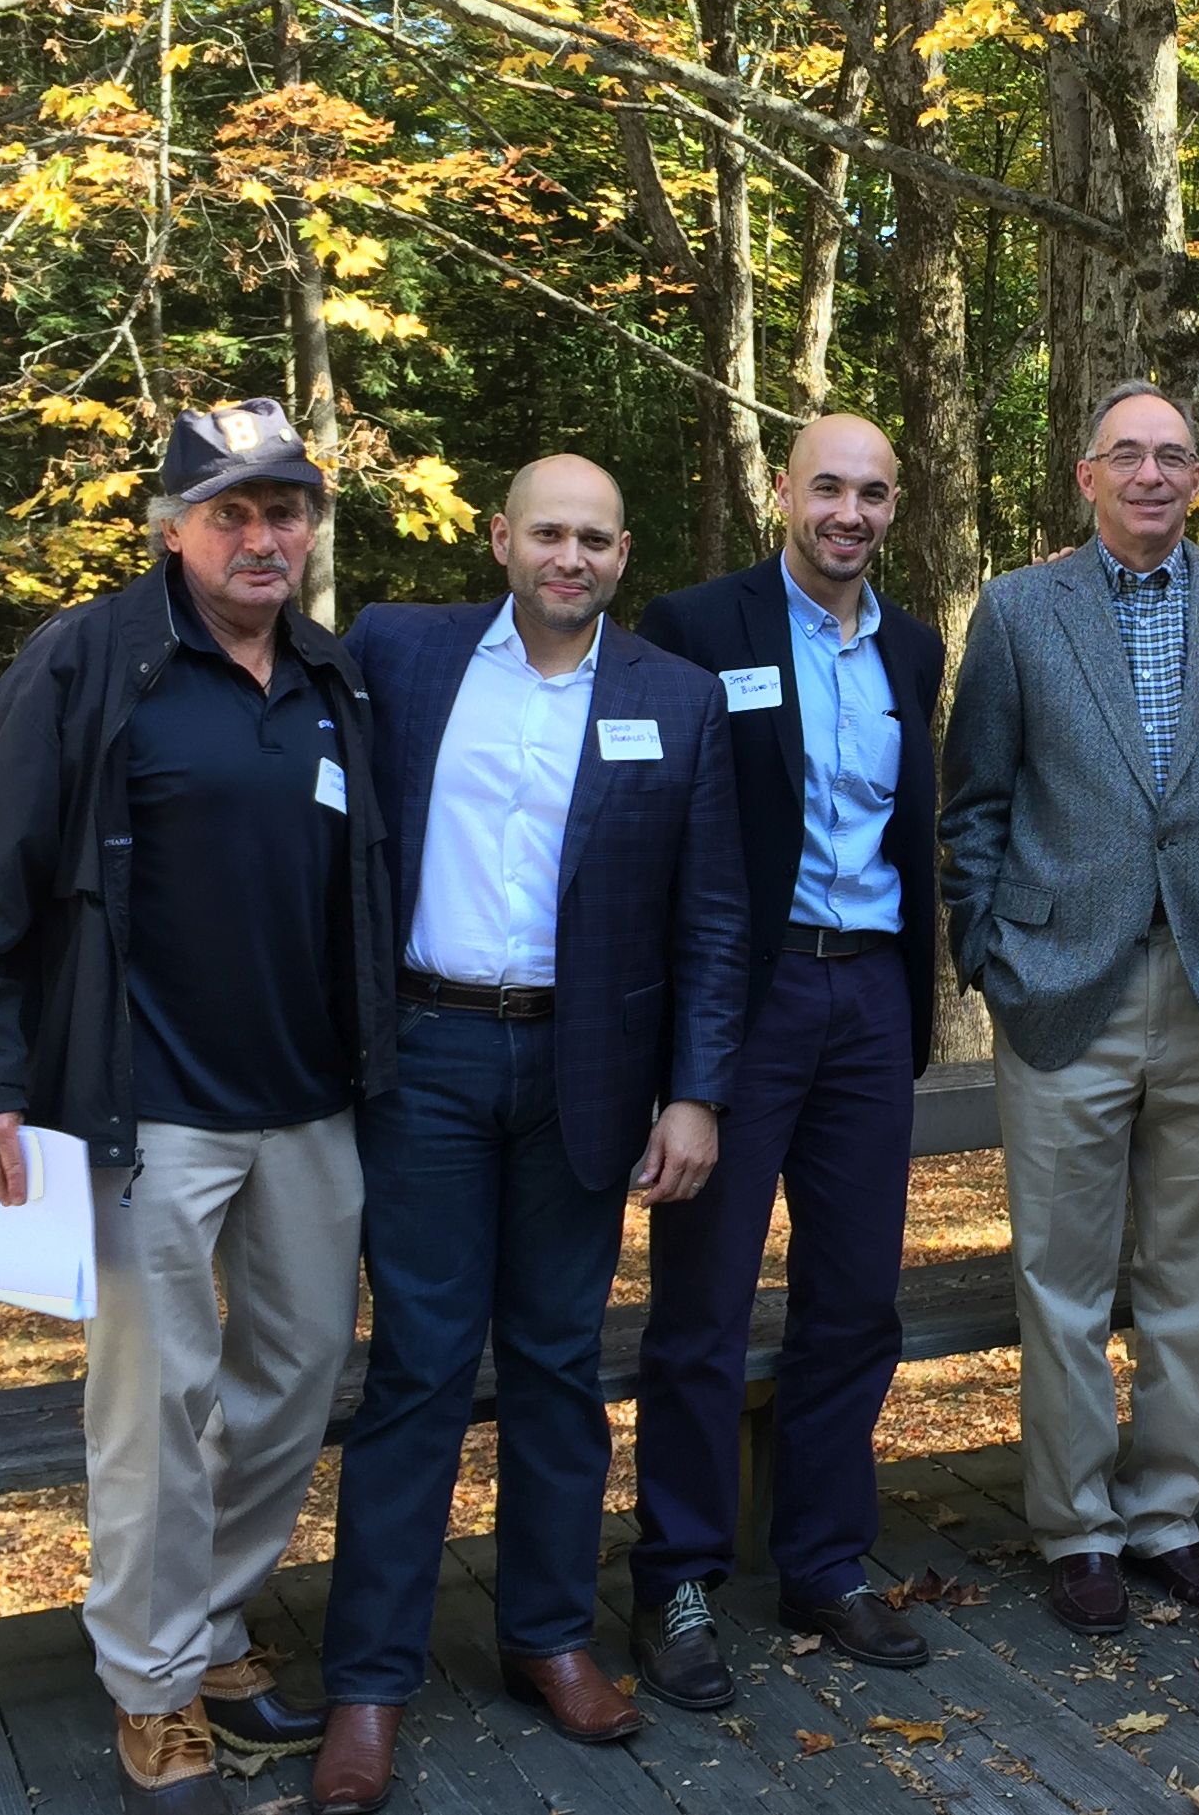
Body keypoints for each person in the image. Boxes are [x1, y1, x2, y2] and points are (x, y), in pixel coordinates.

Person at [0, 398, 396, 1815]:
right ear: (174, 527)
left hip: (307, 1104)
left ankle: (214, 1627)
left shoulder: (328, 678)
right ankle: (153, 1683)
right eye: (230, 511)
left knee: (293, 1385)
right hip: (145, 1105)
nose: (262, 535)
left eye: (283, 508)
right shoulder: (88, 664)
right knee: (155, 1406)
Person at [310, 455, 748, 1815]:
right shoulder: (398, 653)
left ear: (624, 556)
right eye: (546, 533)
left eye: (594, 540)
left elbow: (712, 912)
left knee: (560, 1363)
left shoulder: (670, 698)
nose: (569, 556)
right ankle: (367, 1685)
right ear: (501, 539)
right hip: (425, 1054)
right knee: (422, 1368)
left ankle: (547, 1635)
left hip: (585, 1071)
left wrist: (693, 1092)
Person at [939, 380, 1199, 1636]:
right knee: (1059, 1279)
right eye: (1129, 455)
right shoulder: (1015, 611)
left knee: (1195, 1276)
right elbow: (974, 807)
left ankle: (1165, 1512)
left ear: (1197, 478)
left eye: (1174, 456)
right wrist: (991, 948)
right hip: (1065, 986)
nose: (1152, 474)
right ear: (1084, 474)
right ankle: (1076, 1527)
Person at [627, 414, 945, 1701]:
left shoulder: (913, 647)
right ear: (781, 492)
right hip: (739, 1004)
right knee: (702, 1304)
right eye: (828, 487)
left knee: (854, 1297)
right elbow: (650, 833)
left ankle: (823, 1560)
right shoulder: (698, 629)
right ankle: (680, 1577)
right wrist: (675, 1056)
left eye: (872, 492)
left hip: (867, 994)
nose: (850, 514)